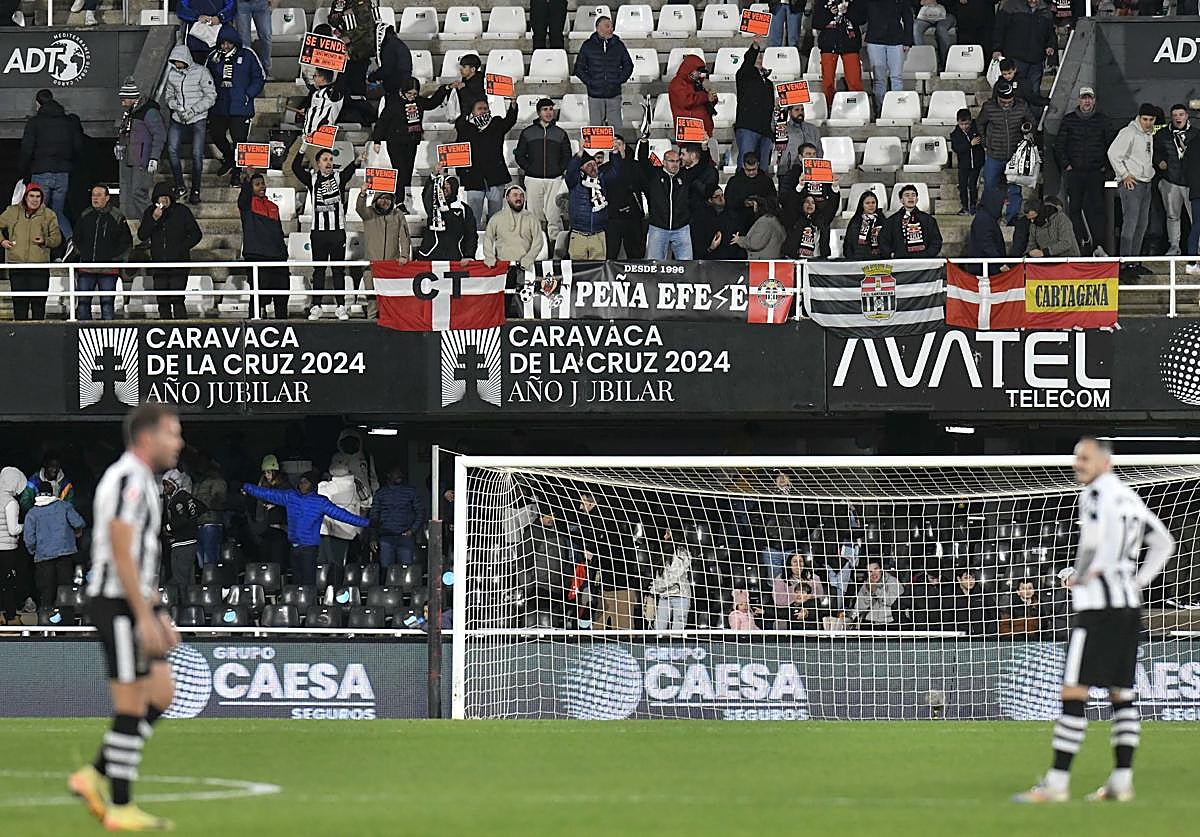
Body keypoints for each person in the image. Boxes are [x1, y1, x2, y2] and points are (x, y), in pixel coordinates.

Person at [1013, 437, 1174, 804]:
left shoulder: (1096, 495)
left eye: (1084, 458)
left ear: (1105, 462)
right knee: (1122, 695)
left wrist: (1082, 573)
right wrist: (1137, 581)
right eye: (1076, 458)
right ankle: (1121, 782)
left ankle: (1057, 784)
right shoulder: (1130, 497)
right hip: (1129, 607)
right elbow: (1164, 543)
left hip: (1099, 608)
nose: (1078, 464)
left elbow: (1093, 543)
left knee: (1074, 691)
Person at [68, 404, 184, 831]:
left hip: (133, 600)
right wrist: (142, 614)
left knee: (162, 694)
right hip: (116, 602)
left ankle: (93, 774)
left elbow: (138, 556)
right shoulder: (128, 479)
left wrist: (158, 611)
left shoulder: (144, 481)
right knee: (132, 703)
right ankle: (120, 806)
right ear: (147, 438)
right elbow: (120, 546)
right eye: (172, 433)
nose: (179, 442)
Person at [241, 471, 370, 585]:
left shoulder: (320, 502)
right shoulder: (291, 496)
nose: (302, 484)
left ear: (312, 485)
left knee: (308, 583)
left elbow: (342, 515)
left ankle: (309, 603)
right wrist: (246, 486)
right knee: (296, 582)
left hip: (309, 548)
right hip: (294, 547)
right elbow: (268, 493)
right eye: (301, 482)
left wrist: (367, 523)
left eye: (306, 482)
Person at [291, 146, 361, 320]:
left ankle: (341, 306)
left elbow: (351, 169)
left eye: (330, 159)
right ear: (318, 163)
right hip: (318, 233)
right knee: (319, 270)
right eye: (325, 159)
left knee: (338, 270)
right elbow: (295, 168)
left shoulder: (339, 177)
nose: (328, 162)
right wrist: (303, 148)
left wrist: (357, 161)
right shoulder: (312, 179)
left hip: (337, 232)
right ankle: (316, 306)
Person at [18, 89, 83, 243]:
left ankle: (37, 246)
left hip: (41, 172)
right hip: (63, 174)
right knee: (58, 212)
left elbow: (27, 149)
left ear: (38, 103)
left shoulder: (35, 122)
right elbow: (78, 146)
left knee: (38, 212)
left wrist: (23, 172)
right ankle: (70, 240)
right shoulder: (68, 122)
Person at [372, 78, 450, 206]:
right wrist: (377, 140)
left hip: (411, 142)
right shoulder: (393, 103)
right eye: (409, 93)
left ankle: (405, 200)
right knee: (400, 171)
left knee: (407, 172)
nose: (412, 97)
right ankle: (399, 201)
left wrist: (444, 89)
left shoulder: (418, 102)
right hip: (395, 143)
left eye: (415, 94)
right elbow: (382, 122)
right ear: (403, 91)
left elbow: (432, 103)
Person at [206, 24, 266, 187]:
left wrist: (248, 94)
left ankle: (237, 174)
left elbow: (259, 77)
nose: (225, 46)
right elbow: (205, 78)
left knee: (239, 141)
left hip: (241, 107)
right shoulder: (213, 57)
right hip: (219, 106)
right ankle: (230, 159)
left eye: (229, 43)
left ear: (235, 42)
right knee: (216, 134)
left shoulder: (247, 55)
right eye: (223, 43)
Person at [1055, 87, 1113, 254]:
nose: (1087, 101)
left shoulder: (1103, 120)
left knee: (1097, 210)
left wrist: (1105, 166)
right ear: (1079, 100)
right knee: (1074, 209)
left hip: (1096, 172)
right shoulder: (1069, 120)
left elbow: (1111, 145)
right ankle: (1078, 245)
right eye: (1084, 98)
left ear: (1094, 100)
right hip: (1075, 173)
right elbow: (1059, 145)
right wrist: (1067, 165)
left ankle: (1099, 246)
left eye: (1089, 98)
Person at [139, 182, 202, 320]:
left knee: (177, 299)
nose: (164, 199)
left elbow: (196, 234)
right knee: (162, 301)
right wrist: (154, 219)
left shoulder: (182, 211)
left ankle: (181, 328)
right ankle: (165, 327)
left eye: (167, 196)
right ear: (156, 198)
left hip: (179, 263)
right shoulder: (150, 212)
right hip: (158, 265)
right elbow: (142, 235)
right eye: (161, 196)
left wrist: (181, 248)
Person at [163, 45, 217, 204]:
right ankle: (180, 185)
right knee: (172, 150)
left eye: (179, 61)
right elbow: (169, 95)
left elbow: (211, 96)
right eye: (174, 61)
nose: (177, 64)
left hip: (198, 117)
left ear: (186, 59)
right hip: (178, 117)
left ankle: (196, 189)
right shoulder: (172, 74)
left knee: (196, 154)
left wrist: (193, 111)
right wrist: (174, 105)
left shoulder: (201, 72)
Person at [0, 183, 62, 321]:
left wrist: (45, 241)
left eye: (38, 196)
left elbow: (57, 239)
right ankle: (19, 333)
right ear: (25, 197)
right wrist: (2, 241)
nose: (35, 199)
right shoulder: (12, 211)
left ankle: (38, 333)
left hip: (39, 267)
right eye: (32, 196)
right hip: (17, 265)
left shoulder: (49, 214)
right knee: (19, 305)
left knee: (39, 304)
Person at [515, 99, 572, 247]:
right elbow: (519, 155)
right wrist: (530, 169)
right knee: (534, 216)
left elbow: (567, 156)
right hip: (533, 179)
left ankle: (556, 249)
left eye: (551, 109)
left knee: (554, 216)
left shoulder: (560, 133)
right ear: (538, 112)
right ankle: (537, 248)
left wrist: (559, 170)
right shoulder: (528, 132)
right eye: (545, 109)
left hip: (555, 180)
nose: (548, 112)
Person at [455, 98, 519, 226]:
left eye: (485, 108)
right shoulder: (465, 128)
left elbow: (510, 120)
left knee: (496, 218)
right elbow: (459, 150)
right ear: (473, 112)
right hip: (473, 179)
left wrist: (513, 104)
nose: (483, 111)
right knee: (473, 219)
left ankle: (495, 238)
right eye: (479, 109)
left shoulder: (497, 124)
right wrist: (462, 173)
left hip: (495, 177)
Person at [977, 80, 1033, 225]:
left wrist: (1027, 129)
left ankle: (1011, 218)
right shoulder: (989, 107)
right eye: (1003, 102)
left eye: (1009, 102)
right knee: (990, 187)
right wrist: (985, 142)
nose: (1006, 104)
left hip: (1015, 157)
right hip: (994, 155)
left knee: (1014, 190)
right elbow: (980, 124)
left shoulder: (1022, 106)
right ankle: (990, 218)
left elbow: (1031, 122)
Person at [1107, 104, 1157, 263]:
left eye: (1151, 120)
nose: (1147, 123)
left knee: (1142, 224)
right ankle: (1125, 261)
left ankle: (1134, 261)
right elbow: (1113, 153)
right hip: (1132, 183)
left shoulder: (1148, 134)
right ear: (1139, 118)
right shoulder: (1129, 132)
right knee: (1131, 223)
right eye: (1145, 119)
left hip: (1145, 183)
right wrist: (1124, 175)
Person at [71, 186, 129, 321]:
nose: (95, 198)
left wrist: (114, 259)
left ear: (107, 197)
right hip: (86, 267)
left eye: (98, 195)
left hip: (108, 269)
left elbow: (126, 242)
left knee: (107, 307)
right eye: (93, 195)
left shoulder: (117, 216)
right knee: (83, 306)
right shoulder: (85, 214)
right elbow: (76, 238)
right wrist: (82, 254)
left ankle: (108, 333)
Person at [239, 168, 290, 319]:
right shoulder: (247, 205)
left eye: (263, 183)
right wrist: (248, 178)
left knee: (282, 294)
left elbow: (279, 232)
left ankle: (282, 324)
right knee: (258, 295)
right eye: (257, 184)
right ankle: (254, 323)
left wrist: (283, 253)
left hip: (277, 257)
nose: (262, 186)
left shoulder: (273, 206)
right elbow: (244, 196)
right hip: (257, 256)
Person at [115, 79, 166, 222]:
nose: (122, 103)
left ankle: (155, 222)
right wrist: (120, 145)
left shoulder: (149, 112)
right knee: (131, 194)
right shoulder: (131, 112)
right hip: (131, 158)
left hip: (142, 160)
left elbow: (160, 135)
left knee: (138, 193)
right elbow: (127, 132)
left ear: (132, 97)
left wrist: (154, 157)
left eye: (124, 99)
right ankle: (145, 224)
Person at [1153, 104, 1199, 258]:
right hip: (1170, 180)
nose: (1178, 118)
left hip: (1192, 183)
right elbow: (1154, 152)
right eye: (1175, 115)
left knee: (1196, 218)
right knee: (1172, 216)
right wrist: (1159, 162)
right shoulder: (1162, 134)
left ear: (1187, 116)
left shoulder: (1196, 134)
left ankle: (1198, 248)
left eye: (1181, 114)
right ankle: (1174, 246)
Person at [358, 188, 411, 318]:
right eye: (382, 198)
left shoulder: (398, 214)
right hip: (371, 265)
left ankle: (390, 321)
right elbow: (359, 208)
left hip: (391, 265)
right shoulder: (369, 213)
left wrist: (404, 255)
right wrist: (362, 194)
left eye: (388, 198)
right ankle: (371, 321)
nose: (385, 201)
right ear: (376, 199)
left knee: (390, 297)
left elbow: (404, 236)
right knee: (372, 297)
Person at [573, 16, 633, 127]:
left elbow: (628, 65)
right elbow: (578, 68)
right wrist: (591, 82)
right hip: (595, 95)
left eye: (612, 26)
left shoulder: (619, 45)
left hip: (614, 94)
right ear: (598, 28)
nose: (611, 29)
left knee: (616, 130)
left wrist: (618, 80)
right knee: (597, 130)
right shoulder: (588, 45)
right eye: (607, 26)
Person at [638, 144, 693, 260]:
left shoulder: (685, 176)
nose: (675, 164)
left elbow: (701, 166)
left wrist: (705, 147)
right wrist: (644, 141)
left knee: (687, 264)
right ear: (664, 162)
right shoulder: (654, 175)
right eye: (671, 161)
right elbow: (643, 160)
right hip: (658, 227)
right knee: (655, 263)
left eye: (677, 161)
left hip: (681, 228)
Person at [992, 0, 1056, 100]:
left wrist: (1050, 45)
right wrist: (997, 48)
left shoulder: (1046, 10)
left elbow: (1050, 32)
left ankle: (1033, 111)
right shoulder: (1010, 6)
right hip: (1015, 58)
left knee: (1034, 93)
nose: (1033, 0)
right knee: (1016, 92)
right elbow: (999, 29)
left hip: (1037, 59)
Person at [370, 467, 427, 569]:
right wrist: (373, 537)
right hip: (386, 538)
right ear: (388, 475)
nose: (399, 475)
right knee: (386, 570)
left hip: (405, 537)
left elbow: (420, 512)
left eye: (400, 472)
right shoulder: (381, 493)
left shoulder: (411, 492)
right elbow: (374, 516)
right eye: (395, 472)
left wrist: (412, 530)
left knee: (406, 570)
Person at [564, 150, 615, 260]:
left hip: (598, 234)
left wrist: (615, 153)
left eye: (594, 164)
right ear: (581, 168)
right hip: (579, 235)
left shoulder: (602, 180)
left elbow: (615, 172)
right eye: (589, 165)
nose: (593, 167)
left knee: (598, 268)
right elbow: (570, 171)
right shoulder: (575, 182)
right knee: (578, 268)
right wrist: (579, 154)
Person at [161, 469, 204, 599]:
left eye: (168, 485)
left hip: (183, 543)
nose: (165, 488)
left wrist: (168, 527)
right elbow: (201, 507)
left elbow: (182, 519)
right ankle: (191, 603)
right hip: (190, 542)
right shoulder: (186, 497)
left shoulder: (178, 499)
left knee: (181, 578)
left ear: (175, 484)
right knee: (188, 578)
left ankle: (184, 604)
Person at [734, 38, 777, 168]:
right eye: (756, 55)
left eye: (761, 55)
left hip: (765, 130)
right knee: (745, 164)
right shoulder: (744, 75)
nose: (759, 57)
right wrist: (755, 46)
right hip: (748, 127)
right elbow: (748, 61)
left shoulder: (768, 83)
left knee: (763, 167)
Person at [418, 168, 478, 260]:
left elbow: (471, 234)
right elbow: (426, 194)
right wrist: (433, 175)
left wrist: (469, 255)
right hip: (431, 255)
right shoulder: (433, 204)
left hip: (455, 256)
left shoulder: (464, 209)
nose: (444, 189)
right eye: (442, 187)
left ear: (454, 188)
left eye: (448, 186)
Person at [863, 0, 914, 109]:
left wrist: (908, 40)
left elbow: (908, 18)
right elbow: (860, 16)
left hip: (896, 40)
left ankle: (896, 109)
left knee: (896, 77)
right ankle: (881, 109)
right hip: (875, 40)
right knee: (879, 79)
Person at [814, 0, 866, 104]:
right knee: (828, 83)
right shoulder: (822, 2)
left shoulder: (855, 2)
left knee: (854, 81)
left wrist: (848, 11)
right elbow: (816, 23)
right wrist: (829, 13)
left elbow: (862, 19)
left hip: (850, 45)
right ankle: (829, 107)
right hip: (828, 46)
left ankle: (857, 108)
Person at [602, 135, 645, 259]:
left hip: (633, 218)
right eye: (613, 145)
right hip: (612, 219)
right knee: (610, 256)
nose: (616, 147)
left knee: (635, 256)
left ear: (624, 146)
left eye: (619, 144)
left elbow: (646, 188)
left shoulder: (636, 167)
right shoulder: (604, 169)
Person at [780, 143, 840, 227]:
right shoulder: (791, 175)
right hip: (797, 220)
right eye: (808, 154)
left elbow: (832, 203)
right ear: (800, 157)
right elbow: (785, 200)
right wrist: (800, 186)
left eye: (814, 154)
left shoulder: (824, 173)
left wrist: (835, 187)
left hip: (820, 219)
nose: (812, 157)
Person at [317, 463, 365, 570]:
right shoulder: (357, 484)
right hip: (349, 531)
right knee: (342, 565)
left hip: (328, 531)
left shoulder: (324, 487)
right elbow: (367, 502)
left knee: (325, 565)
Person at [483, 184, 542, 270]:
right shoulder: (496, 218)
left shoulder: (532, 218)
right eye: (515, 195)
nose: (519, 198)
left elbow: (538, 241)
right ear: (507, 198)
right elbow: (488, 238)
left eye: (521, 196)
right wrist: (490, 258)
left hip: (525, 266)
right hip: (502, 267)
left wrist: (529, 259)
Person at [668, 55, 717, 154]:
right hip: (688, 134)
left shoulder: (698, 83)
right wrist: (705, 96)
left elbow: (706, 103)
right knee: (690, 160)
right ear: (689, 68)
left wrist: (712, 98)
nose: (699, 74)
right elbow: (685, 101)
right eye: (697, 71)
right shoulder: (677, 83)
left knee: (704, 160)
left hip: (702, 133)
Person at [251, 456, 291, 572]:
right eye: (265, 473)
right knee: (265, 562)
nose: (267, 475)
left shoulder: (285, 486)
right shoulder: (262, 485)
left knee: (277, 562)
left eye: (269, 472)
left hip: (280, 530)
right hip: (264, 530)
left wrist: (276, 504)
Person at [649, 523, 692, 631]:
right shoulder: (661, 555)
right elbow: (659, 577)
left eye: (667, 533)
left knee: (677, 629)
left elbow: (674, 577)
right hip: (664, 596)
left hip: (680, 596)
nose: (664, 537)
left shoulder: (682, 554)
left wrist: (656, 588)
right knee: (659, 628)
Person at [881, 184, 942, 257]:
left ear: (917, 199)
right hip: (900, 260)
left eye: (913, 195)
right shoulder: (891, 221)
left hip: (924, 260)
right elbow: (883, 241)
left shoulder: (929, 220)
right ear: (901, 200)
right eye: (907, 195)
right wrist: (892, 254)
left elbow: (936, 241)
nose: (910, 197)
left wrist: (927, 255)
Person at [690, 184, 746, 260]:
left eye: (722, 195)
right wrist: (710, 248)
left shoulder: (732, 215)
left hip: (731, 257)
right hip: (709, 258)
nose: (721, 198)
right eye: (717, 196)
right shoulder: (701, 217)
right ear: (710, 200)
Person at [0, 466, 26, 625]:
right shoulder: (11, 502)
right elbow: (13, 529)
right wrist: (26, 526)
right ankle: (11, 616)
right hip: (7, 550)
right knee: (8, 583)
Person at [949, 107, 985, 214]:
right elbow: (956, 148)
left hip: (977, 164)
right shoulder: (955, 134)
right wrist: (970, 144)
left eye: (967, 124)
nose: (965, 126)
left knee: (973, 185)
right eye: (962, 124)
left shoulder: (977, 129)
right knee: (963, 186)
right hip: (963, 165)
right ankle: (964, 206)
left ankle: (973, 205)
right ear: (958, 122)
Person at [723, 153, 778, 223]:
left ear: (758, 165)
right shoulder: (734, 182)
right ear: (743, 166)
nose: (751, 172)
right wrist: (743, 203)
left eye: (754, 169)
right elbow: (729, 202)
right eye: (748, 170)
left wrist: (760, 203)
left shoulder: (766, 181)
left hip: (762, 220)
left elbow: (773, 201)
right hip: (739, 219)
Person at [192, 459, 226, 566]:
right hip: (199, 522)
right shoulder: (198, 483)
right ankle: (204, 575)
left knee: (210, 558)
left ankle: (211, 576)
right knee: (201, 560)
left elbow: (218, 501)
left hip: (211, 522)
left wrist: (200, 502)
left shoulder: (217, 481)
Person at [732, 195, 786, 259]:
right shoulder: (774, 220)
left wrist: (739, 240)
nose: (753, 208)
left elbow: (755, 244)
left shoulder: (765, 222)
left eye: (753, 204)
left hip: (762, 262)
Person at [776, 105, 823, 176]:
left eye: (802, 110)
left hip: (810, 171)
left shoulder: (813, 129)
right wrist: (779, 108)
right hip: (788, 172)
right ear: (789, 112)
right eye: (797, 110)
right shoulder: (783, 129)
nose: (800, 112)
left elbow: (819, 151)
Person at [853, 560, 902, 626]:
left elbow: (892, 601)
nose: (873, 574)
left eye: (876, 569)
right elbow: (859, 608)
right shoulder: (866, 584)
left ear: (881, 569)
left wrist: (876, 590)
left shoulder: (892, 581)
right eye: (870, 571)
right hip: (869, 622)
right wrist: (868, 592)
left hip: (889, 622)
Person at [369, 23, 413, 97]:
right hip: (403, 80)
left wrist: (373, 77)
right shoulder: (397, 43)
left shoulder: (389, 46)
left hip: (395, 84)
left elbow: (387, 69)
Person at [966, 187, 1008, 264]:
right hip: (985, 267)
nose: (1006, 205)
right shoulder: (983, 219)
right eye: (1003, 202)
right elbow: (987, 245)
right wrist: (1000, 264)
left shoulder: (989, 217)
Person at [780, 194, 828, 258]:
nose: (810, 205)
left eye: (813, 203)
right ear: (802, 204)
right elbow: (790, 203)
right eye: (807, 202)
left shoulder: (820, 222)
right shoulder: (795, 220)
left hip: (816, 260)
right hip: (796, 259)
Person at [914, 0, 956, 72]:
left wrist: (935, 1)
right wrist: (921, 2)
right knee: (916, 27)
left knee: (941, 29)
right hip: (924, 15)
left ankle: (945, 65)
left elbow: (952, 3)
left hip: (946, 15)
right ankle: (922, 62)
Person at [844, 190, 887, 259]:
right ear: (862, 205)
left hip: (879, 258)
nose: (871, 205)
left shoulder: (882, 220)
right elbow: (849, 242)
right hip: (859, 258)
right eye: (867, 203)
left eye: (873, 202)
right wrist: (851, 258)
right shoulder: (856, 220)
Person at [236, 0, 273, 77]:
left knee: (266, 36)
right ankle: (247, 69)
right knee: (244, 40)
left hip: (262, 4)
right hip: (242, 4)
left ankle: (266, 68)